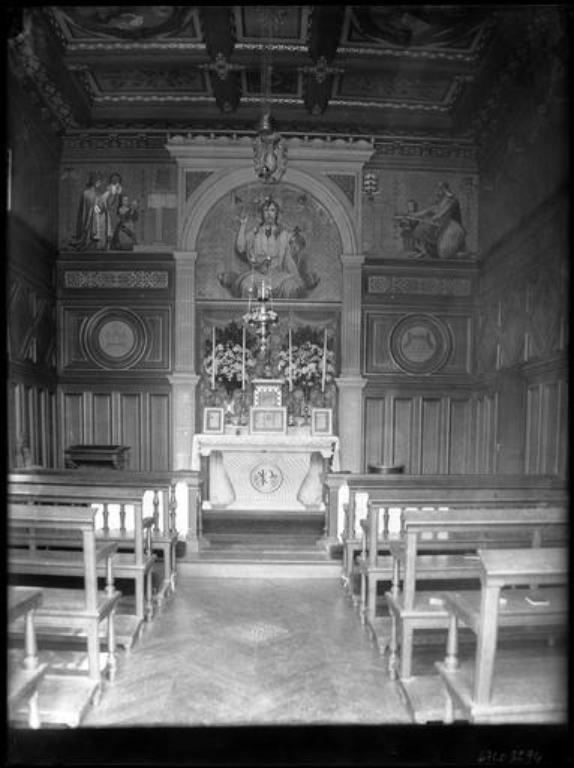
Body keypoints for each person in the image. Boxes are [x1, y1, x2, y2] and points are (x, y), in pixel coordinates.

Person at [218, 198, 319, 299]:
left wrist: (297, 243)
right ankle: (251, 314)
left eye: (272, 210)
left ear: (277, 213)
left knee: (291, 286)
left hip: (279, 274)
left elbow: (295, 250)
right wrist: (243, 224)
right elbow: (240, 248)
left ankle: (287, 315)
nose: (269, 213)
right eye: (266, 210)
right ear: (262, 213)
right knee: (246, 285)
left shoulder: (284, 234)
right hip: (258, 274)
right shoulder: (255, 233)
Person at [408, 182, 466, 259]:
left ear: (444, 189)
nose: (438, 192)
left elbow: (441, 214)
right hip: (441, 225)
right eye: (438, 189)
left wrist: (432, 218)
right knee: (420, 229)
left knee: (445, 254)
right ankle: (423, 251)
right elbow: (431, 209)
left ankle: (459, 254)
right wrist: (413, 215)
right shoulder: (441, 200)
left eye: (440, 189)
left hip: (452, 227)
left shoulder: (452, 200)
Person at [70, 172, 123, 250]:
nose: (100, 184)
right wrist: (109, 193)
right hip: (92, 224)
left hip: (99, 222)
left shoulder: (95, 193)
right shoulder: (87, 193)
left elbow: (105, 205)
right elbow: (97, 208)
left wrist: (112, 194)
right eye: (99, 181)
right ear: (95, 182)